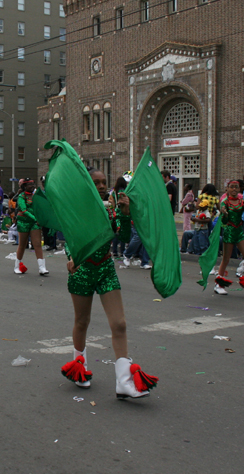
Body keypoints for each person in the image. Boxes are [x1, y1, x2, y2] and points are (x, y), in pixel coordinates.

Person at [60, 168, 159, 400]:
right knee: (82, 321)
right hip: (83, 270)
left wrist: (125, 213)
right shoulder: (78, 210)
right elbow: (70, 239)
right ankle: (79, 366)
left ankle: (124, 382)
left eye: (104, 182)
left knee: (120, 323)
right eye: (96, 182)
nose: (102, 186)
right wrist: (72, 258)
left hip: (106, 269)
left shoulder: (112, 209)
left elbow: (124, 238)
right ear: (88, 186)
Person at [213, 180, 244, 296]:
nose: (234, 189)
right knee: (226, 259)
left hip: (239, 232)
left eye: (236, 187)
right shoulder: (224, 203)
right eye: (232, 187)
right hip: (229, 232)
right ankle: (218, 284)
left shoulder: (242, 202)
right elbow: (224, 221)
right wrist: (224, 214)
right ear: (228, 189)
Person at [14, 178, 48, 275]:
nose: (33, 186)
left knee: (37, 244)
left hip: (35, 223)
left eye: (33, 184)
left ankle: (42, 267)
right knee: (22, 245)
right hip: (23, 222)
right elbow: (24, 210)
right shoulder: (21, 196)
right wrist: (35, 219)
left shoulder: (36, 196)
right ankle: (17, 265)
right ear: (24, 186)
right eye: (30, 185)